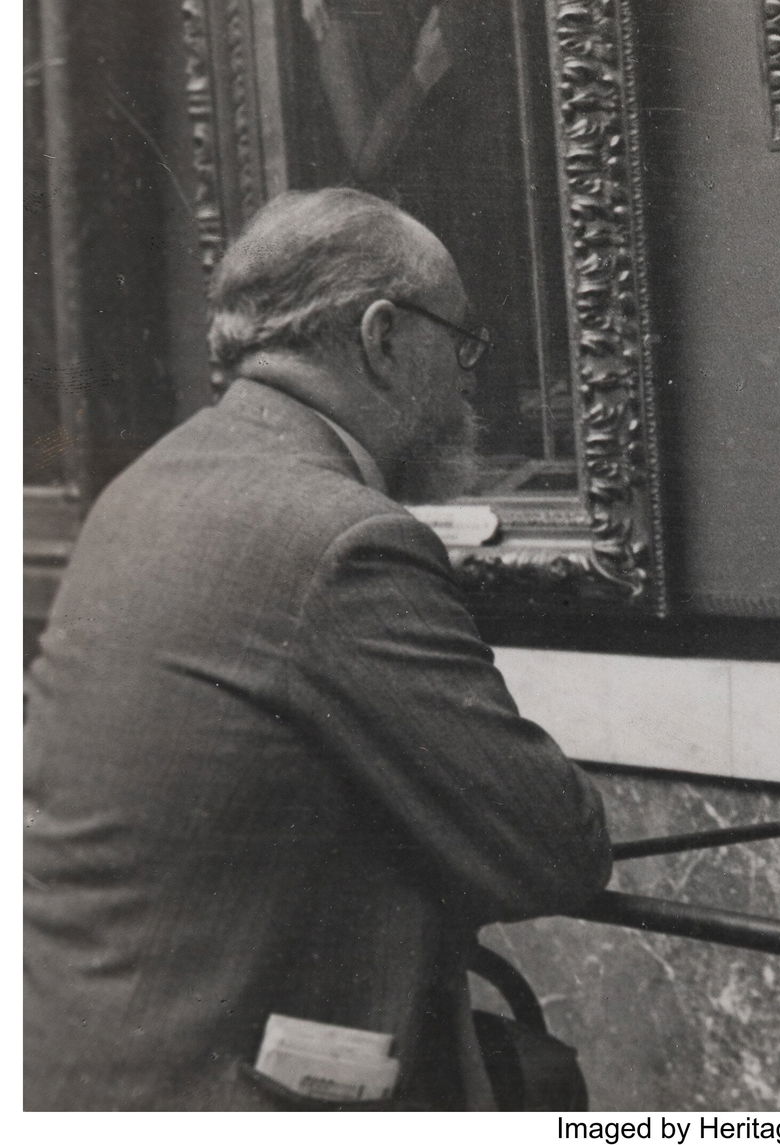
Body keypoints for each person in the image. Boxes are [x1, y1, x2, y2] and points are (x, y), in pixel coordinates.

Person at [23, 188, 613, 1110]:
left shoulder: (143, 488)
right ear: (382, 337)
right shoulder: (343, 539)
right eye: (461, 345)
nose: (469, 382)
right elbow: (558, 848)